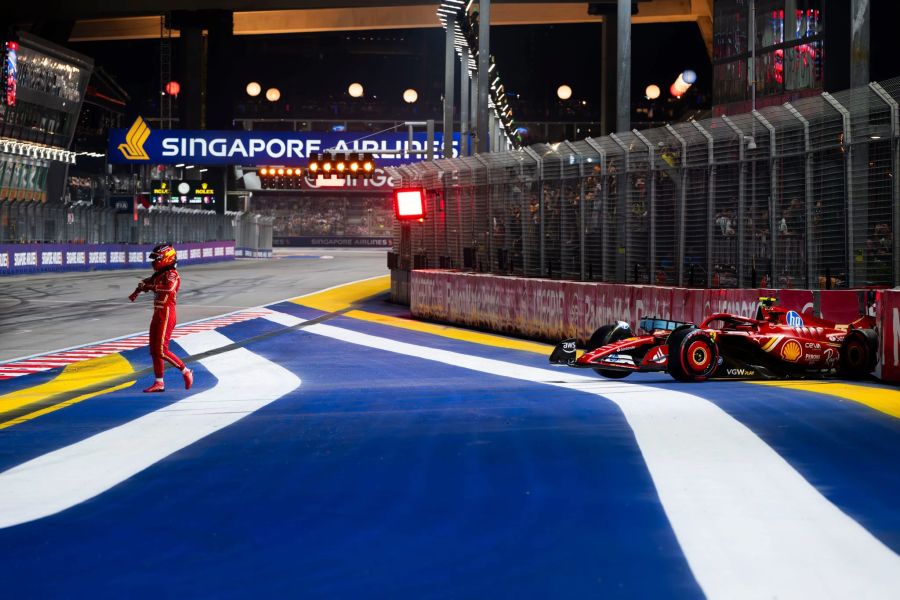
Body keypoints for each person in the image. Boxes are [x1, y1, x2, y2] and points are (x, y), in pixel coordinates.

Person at [129, 243, 193, 393]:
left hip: (167, 314)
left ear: (166, 258)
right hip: (158, 313)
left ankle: (186, 371)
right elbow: (148, 283)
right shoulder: (158, 275)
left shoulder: (172, 274)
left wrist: (150, 287)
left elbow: (169, 288)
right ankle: (159, 382)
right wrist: (140, 287)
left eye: (157, 258)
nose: (154, 261)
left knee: (162, 351)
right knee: (154, 350)